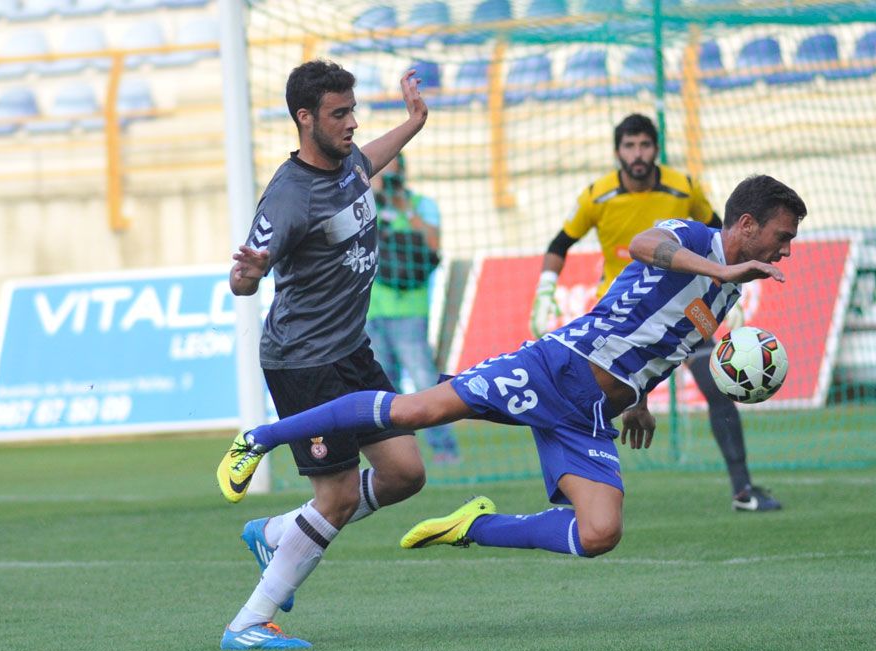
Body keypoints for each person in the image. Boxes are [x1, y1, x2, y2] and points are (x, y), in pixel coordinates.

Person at [219, 175, 805, 566]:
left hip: (594, 411)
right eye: (781, 237)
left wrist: (641, 400)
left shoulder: (729, 294)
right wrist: (720, 271)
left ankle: (473, 526)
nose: (784, 252)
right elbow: (642, 246)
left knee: (600, 534)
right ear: (746, 225)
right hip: (558, 368)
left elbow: (664, 343)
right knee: (416, 410)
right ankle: (260, 438)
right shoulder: (689, 235)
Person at [216, 59, 428, 651]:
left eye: (353, 111)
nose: (353, 123)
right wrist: (250, 275)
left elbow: (370, 159)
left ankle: (277, 532)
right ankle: (248, 624)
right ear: (304, 119)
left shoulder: (345, 166)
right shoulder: (287, 198)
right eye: (340, 114)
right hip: (305, 362)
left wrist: (413, 123)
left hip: (351, 351)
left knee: (406, 473)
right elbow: (241, 280)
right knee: (334, 499)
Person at [530, 113, 781, 513]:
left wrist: (730, 298)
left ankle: (743, 490)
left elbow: (725, 235)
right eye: (629, 146)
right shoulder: (596, 195)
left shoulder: (684, 188)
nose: (638, 154)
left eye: (645, 145)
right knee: (591, 401)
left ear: (656, 149)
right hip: (622, 321)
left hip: (691, 310)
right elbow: (561, 243)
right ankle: (576, 500)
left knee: (719, 388)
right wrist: (545, 289)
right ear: (618, 152)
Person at [366, 153, 461, 465]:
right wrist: (373, 193)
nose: (389, 181)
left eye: (393, 174)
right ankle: (397, 454)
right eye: (382, 174)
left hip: (410, 309)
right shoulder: (366, 207)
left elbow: (434, 245)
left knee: (424, 382)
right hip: (372, 311)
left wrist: (403, 207)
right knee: (383, 387)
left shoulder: (421, 205)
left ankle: (444, 448)